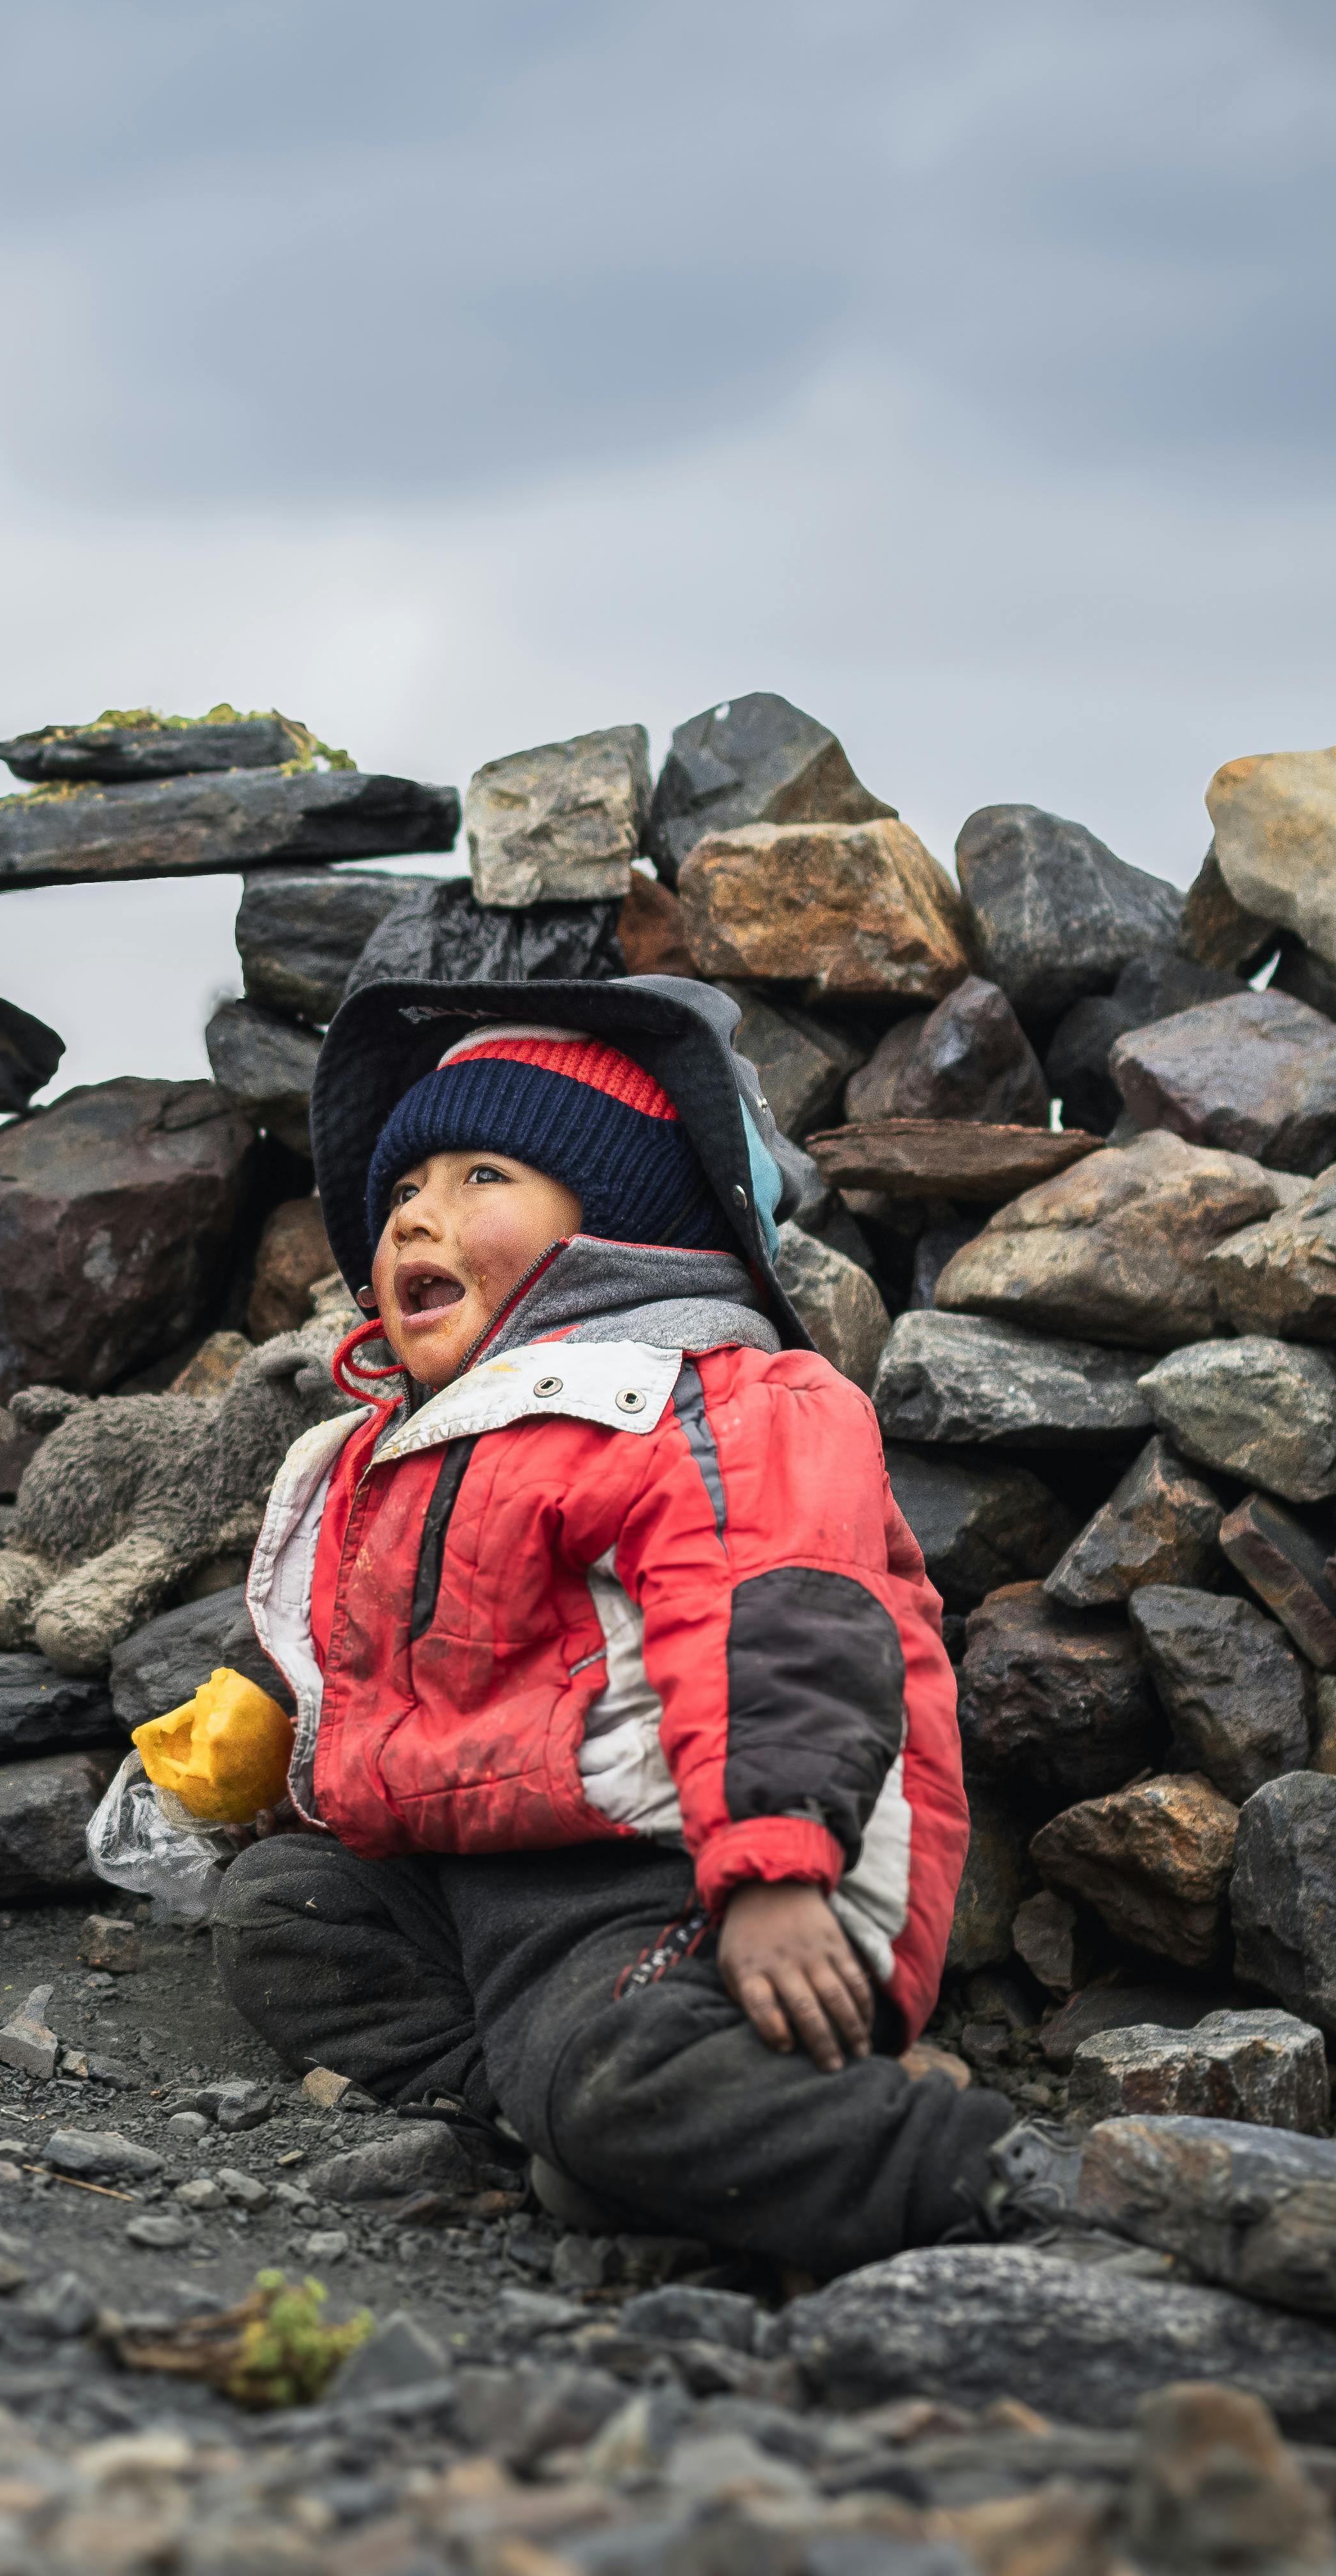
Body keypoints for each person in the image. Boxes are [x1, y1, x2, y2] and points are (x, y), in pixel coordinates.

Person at [206, 973, 1064, 2275]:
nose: (419, 1214)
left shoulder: (709, 1400)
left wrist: (776, 1872)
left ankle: (989, 2177)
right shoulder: (419, 1438)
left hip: (694, 1878)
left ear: (624, 1212)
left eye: (482, 1174)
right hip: (490, 1876)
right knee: (287, 1911)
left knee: (618, 2067)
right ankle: (554, 2120)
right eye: (401, 1192)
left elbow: (777, 1624)